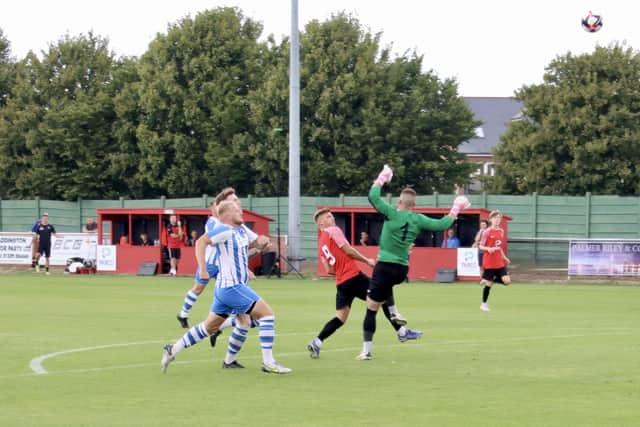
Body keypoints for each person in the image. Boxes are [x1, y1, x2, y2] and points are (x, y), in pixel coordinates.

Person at [161, 200, 291, 374]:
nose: (241, 212)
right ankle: (268, 362)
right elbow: (201, 242)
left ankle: (173, 349)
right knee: (267, 315)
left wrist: (262, 243)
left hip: (225, 289)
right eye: (237, 209)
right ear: (227, 214)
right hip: (232, 287)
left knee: (208, 328)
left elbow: (255, 244)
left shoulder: (241, 230)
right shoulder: (224, 229)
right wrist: (204, 270)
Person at [357, 165, 470, 360]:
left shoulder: (392, 213)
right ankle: (396, 318)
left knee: (371, 307)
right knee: (387, 288)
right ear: (414, 204)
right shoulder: (417, 219)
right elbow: (442, 224)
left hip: (384, 265)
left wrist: (382, 177)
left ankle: (366, 350)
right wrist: (456, 208)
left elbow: (373, 197)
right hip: (402, 269)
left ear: (400, 201)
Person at [307, 208, 419, 359]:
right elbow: (348, 250)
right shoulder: (333, 230)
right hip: (354, 277)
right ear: (321, 223)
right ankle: (401, 332)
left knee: (340, 318)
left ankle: (317, 342)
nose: (332, 218)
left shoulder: (321, 243)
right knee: (382, 295)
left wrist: (340, 270)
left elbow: (328, 269)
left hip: (342, 283)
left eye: (331, 216)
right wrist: (367, 261)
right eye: (328, 217)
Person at [175, 188, 262, 348]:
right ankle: (183, 314)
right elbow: (207, 241)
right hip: (211, 263)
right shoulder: (214, 223)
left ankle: (219, 327)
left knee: (242, 313)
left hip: (225, 267)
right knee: (198, 288)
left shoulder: (235, 224)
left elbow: (242, 246)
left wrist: (246, 267)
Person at [478, 211, 511, 312]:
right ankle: (483, 304)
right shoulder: (486, 232)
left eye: (499, 218)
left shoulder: (501, 231)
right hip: (489, 261)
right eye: (495, 218)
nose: (497, 219)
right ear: (491, 219)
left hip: (499, 261)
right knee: (489, 285)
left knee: (507, 281)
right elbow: (480, 246)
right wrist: (488, 248)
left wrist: (504, 257)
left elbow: (499, 247)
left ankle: (488, 279)